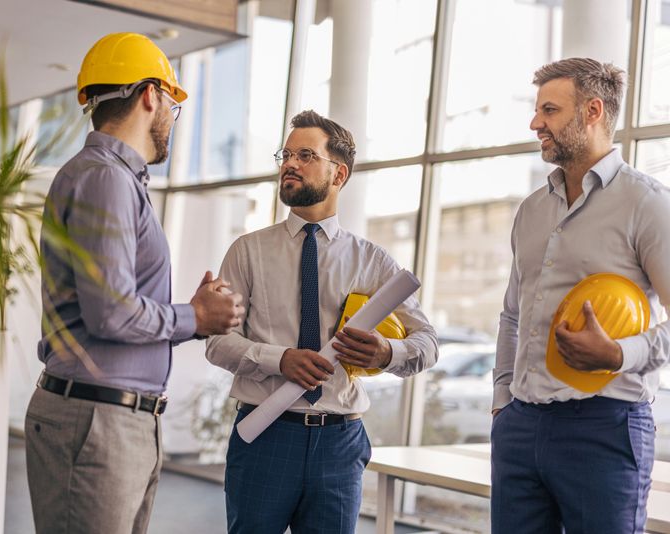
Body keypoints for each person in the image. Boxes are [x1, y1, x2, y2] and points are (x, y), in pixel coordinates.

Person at [24, 32, 244, 534]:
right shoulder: (105, 178)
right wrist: (197, 316)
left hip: (113, 420)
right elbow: (112, 312)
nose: (171, 116)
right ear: (150, 94)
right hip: (96, 422)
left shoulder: (114, 179)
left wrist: (193, 318)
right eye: (172, 103)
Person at [205, 110, 438, 534]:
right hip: (265, 435)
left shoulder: (373, 261)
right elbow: (217, 344)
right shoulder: (247, 251)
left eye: (306, 155)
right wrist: (281, 360)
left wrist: (388, 352)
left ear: (339, 174)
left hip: (339, 442)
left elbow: (428, 343)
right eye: (287, 154)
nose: (289, 164)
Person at [492, 57, 670, 534]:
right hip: (521, 424)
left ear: (592, 111)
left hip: (605, 426)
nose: (535, 123)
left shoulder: (646, 203)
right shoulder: (531, 210)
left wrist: (617, 353)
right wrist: (501, 401)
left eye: (549, 110)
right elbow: (512, 315)